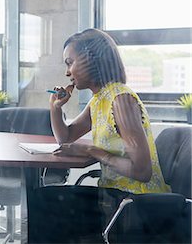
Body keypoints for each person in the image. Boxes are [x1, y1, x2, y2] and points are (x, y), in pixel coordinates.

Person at [27, 28, 170, 243]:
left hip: (136, 205)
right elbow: (65, 138)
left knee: (45, 204)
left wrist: (92, 150)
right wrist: (55, 108)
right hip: (114, 197)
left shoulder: (120, 99)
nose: (67, 72)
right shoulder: (99, 100)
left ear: (92, 60)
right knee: (42, 199)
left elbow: (142, 171)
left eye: (70, 62)